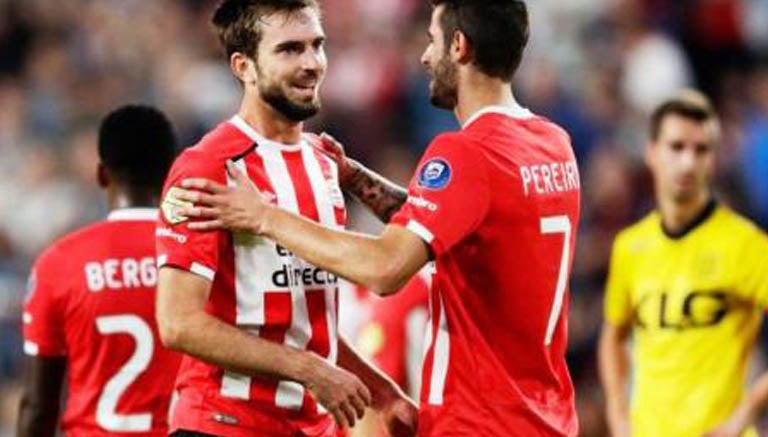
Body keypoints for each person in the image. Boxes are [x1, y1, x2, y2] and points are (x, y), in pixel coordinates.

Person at [174, 0, 581, 435]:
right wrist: (355, 177)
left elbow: (386, 267)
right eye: (292, 49)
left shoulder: (466, 151)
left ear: (459, 46)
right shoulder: (552, 143)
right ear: (244, 66)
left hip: (480, 419)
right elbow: (455, 222)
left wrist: (264, 217)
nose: (425, 56)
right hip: (548, 415)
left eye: (432, 40)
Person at [154, 1, 415, 436]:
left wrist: (383, 394)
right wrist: (308, 369)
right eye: (290, 50)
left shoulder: (325, 163)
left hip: (309, 427)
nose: (312, 63)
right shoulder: (208, 167)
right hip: (225, 423)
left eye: (318, 46)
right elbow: (178, 323)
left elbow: (308, 324)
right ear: (244, 66)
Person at [598, 91, 768, 437]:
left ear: (713, 160)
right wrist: (618, 416)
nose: (688, 162)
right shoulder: (630, 247)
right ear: (652, 152)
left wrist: (746, 412)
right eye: (677, 147)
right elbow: (613, 334)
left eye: (700, 149)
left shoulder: (747, 245)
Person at [17, 105, 181, 436]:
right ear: (171, 173)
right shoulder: (201, 256)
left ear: (102, 174)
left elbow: (38, 405)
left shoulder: (59, 263)